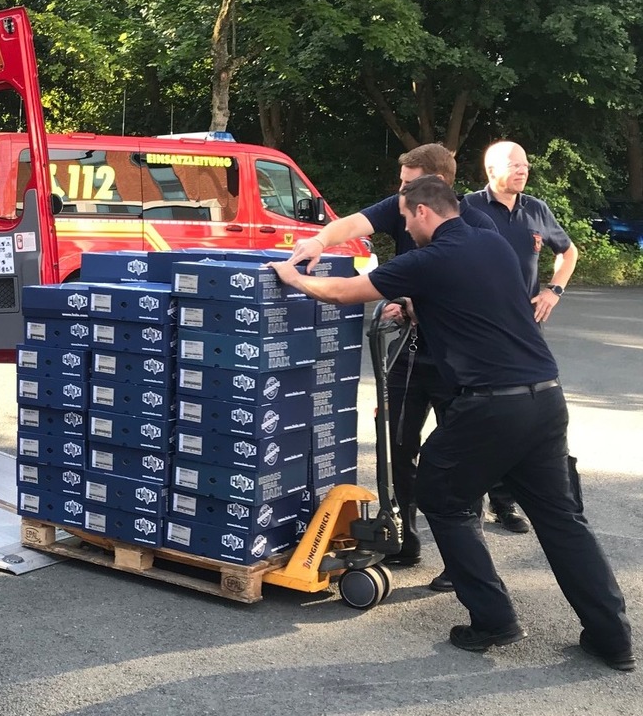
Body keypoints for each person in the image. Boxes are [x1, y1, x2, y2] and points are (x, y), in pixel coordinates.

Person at [270, 175, 634, 672]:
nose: (402, 226)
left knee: (442, 495)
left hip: (489, 406)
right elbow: (474, 303)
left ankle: (493, 618)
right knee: (562, 520)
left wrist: (295, 279)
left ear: (422, 212)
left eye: (405, 218)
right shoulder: (492, 243)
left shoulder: (428, 259)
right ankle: (612, 639)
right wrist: (420, 308)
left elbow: (341, 293)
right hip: (545, 397)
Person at [289, 143, 508, 587]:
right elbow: (354, 223)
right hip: (410, 354)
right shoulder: (400, 204)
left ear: (437, 186)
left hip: (457, 364)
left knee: (458, 463)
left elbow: (479, 291)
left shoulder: (478, 227)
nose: (399, 196)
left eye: (408, 187)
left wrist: (417, 302)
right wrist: (317, 240)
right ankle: (405, 537)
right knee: (398, 446)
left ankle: (461, 560)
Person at [464, 140, 579, 325]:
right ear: (491, 170)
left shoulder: (536, 209)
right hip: (477, 326)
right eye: (514, 165)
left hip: (526, 325)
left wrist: (554, 290)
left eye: (525, 165)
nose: (523, 171)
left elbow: (568, 252)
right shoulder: (466, 208)